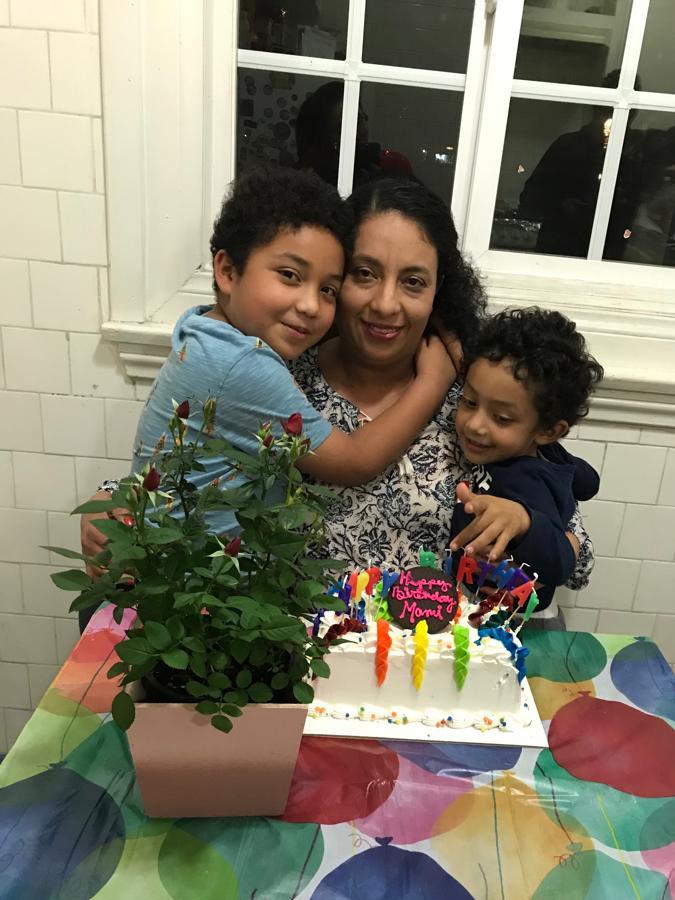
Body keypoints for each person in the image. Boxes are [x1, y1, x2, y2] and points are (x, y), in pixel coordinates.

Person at [82, 178, 595, 626]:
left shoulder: (475, 404)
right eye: (364, 273)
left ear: (439, 292)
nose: (386, 303)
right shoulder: (279, 372)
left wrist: (526, 525)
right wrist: (110, 510)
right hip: (278, 664)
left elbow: (575, 545)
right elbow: (184, 462)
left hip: (430, 672)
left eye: (413, 282)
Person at [450, 307, 603, 627]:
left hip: (516, 627)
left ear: (548, 430)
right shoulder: (549, 453)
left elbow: (560, 563)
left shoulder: (528, 481)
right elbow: (587, 481)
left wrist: (525, 522)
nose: (475, 425)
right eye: (469, 402)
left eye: (502, 418)